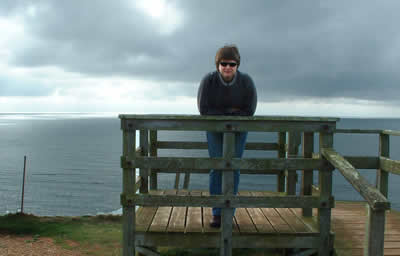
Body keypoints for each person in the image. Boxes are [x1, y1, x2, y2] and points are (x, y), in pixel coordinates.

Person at [197, 44, 257, 228]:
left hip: (238, 131)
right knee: (217, 168)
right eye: (223, 63)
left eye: (231, 63)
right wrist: (230, 112)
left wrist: (224, 113)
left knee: (233, 168)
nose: (227, 67)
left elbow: (249, 110)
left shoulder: (246, 82)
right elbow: (204, 109)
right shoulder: (208, 81)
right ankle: (217, 213)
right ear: (218, 65)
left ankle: (229, 212)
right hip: (214, 130)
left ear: (237, 64)